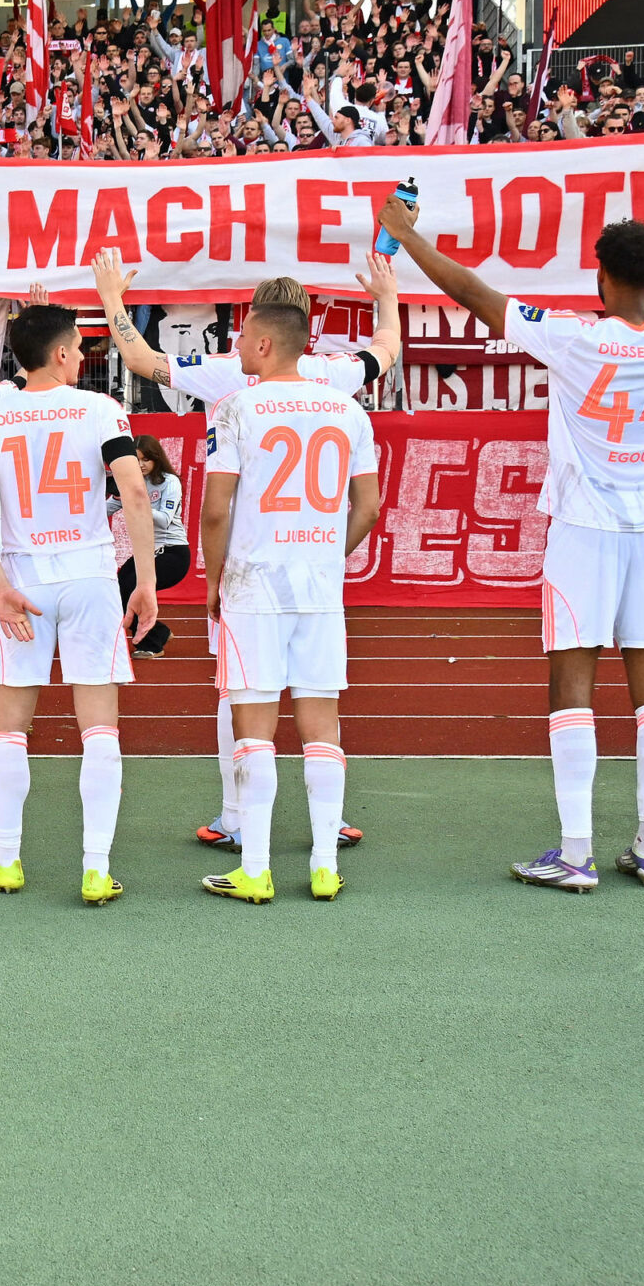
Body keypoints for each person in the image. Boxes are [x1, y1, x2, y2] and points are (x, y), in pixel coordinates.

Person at [379, 183, 644, 890]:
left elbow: (472, 291)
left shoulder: (575, 335)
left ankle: (578, 851)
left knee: (571, 679)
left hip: (584, 530)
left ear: (603, 276)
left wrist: (404, 236)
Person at [93, 243, 401, 850]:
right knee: (319, 701)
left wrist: (111, 298)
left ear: (257, 327)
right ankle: (325, 823)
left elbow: (141, 358)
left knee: (238, 690)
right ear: (304, 319)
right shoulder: (334, 375)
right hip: (310, 559)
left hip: (246, 560)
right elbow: (385, 350)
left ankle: (237, 817)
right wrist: (386, 296)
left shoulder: (230, 375)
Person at [0, 303, 157, 903]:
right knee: (100, 727)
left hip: (24, 579)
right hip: (91, 576)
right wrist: (144, 579)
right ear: (64, 353)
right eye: (78, 347)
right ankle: (95, 868)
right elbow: (135, 492)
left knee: (10, 726)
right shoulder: (101, 408)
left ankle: (7, 859)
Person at [195, 293, 384, 902]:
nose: (238, 346)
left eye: (244, 337)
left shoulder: (237, 408)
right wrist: (330, 553)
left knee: (254, 722)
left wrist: (215, 577)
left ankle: (254, 867)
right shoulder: (348, 410)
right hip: (319, 584)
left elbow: (216, 507)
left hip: (255, 581)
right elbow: (370, 506)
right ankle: (325, 864)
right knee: (321, 722)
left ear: (267, 343)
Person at [121, 433, 188, 658]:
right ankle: (158, 631)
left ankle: (152, 643)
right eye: (135, 459)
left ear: (156, 459)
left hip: (172, 551)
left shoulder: (169, 481)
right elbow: (106, 508)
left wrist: (136, 502)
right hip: (146, 552)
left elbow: (165, 518)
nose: (140, 465)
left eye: (145, 459)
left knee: (131, 586)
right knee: (119, 587)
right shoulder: (128, 481)